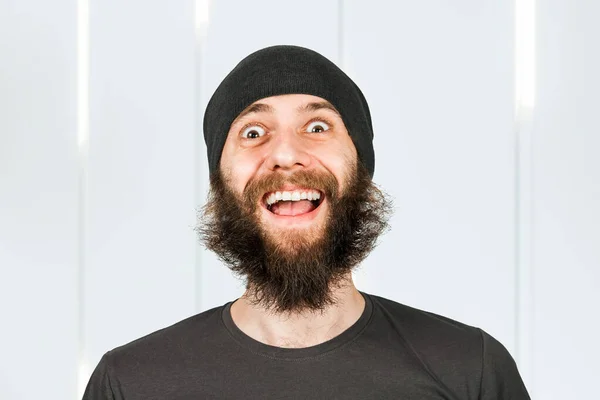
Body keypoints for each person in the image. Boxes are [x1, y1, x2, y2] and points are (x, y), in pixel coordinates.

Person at [83, 45, 530, 399]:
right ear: (220, 180)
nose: (285, 154)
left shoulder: (471, 370)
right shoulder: (131, 383)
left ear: (361, 166)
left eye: (317, 127)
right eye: (252, 133)